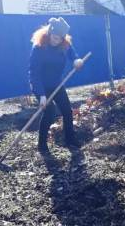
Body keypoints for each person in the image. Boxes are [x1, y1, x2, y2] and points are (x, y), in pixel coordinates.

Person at [29, 17, 84, 153]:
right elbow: (34, 74)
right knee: (50, 113)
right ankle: (42, 145)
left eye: (59, 38)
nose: (56, 40)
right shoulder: (38, 48)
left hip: (56, 84)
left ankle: (70, 140)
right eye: (54, 37)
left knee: (67, 111)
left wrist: (76, 60)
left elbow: (72, 52)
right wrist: (41, 95)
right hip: (40, 86)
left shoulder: (63, 44)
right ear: (49, 33)